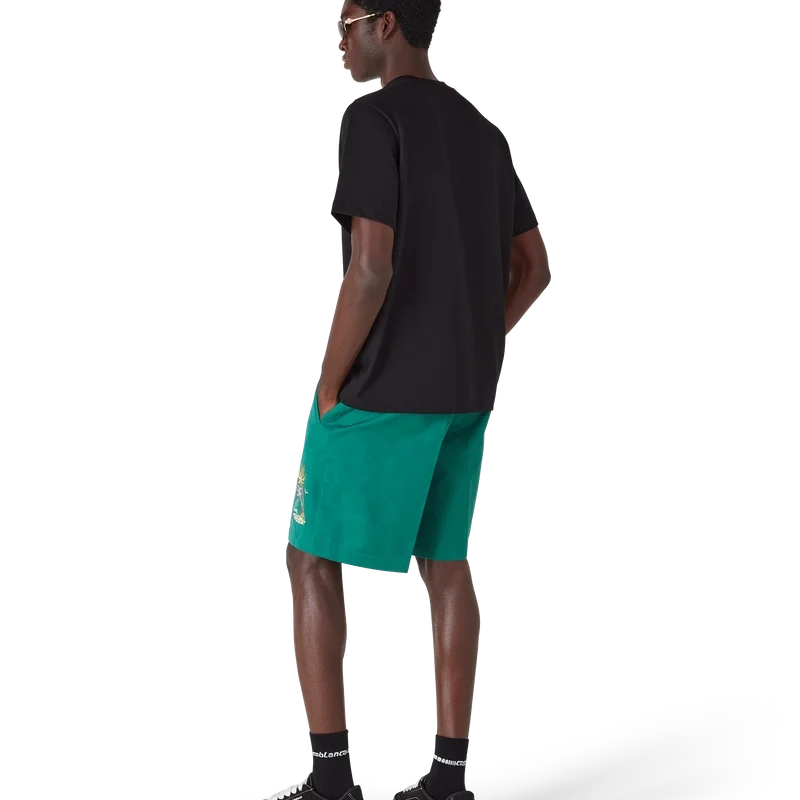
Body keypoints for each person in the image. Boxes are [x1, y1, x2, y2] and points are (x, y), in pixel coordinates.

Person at [267, 2, 551, 799]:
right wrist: (476, 337)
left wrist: (330, 382)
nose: (339, 37)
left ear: (385, 24)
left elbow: (371, 268)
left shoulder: (375, 116)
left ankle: (330, 775)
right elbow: (533, 268)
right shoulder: (481, 130)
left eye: (346, 21)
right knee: (447, 563)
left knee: (312, 557)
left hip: (385, 388)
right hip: (464, 391)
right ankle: (448, 775)